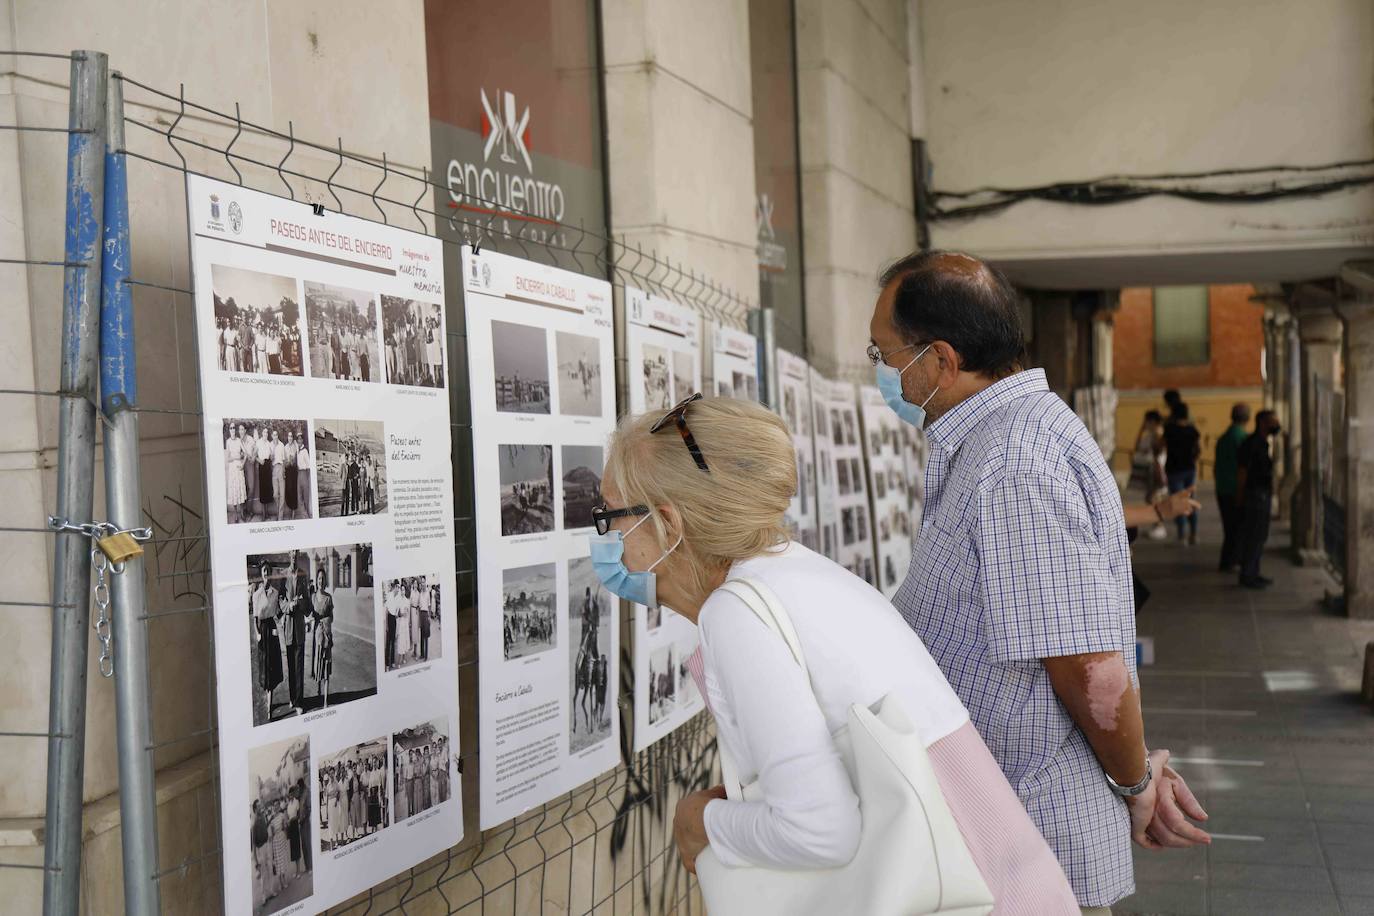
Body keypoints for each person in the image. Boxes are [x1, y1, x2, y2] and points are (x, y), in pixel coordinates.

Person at [592, 396, 1079, 912]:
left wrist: (700, 822)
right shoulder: (793, 573)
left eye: (609, 517)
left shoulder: (737, 614)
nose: (604, 537)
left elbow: (820, 830)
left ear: (667, 525)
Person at [868, 251, 1209, 913]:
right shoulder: (998, 440)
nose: (883, 374)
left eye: (884, 354)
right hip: (999, 832)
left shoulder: (1014, 460)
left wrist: (1136, 779)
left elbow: (1090, 669)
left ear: (939, 360)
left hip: (1027, 849)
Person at [1236, 410, 1281, 589]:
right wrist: (1240, 495)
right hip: (1255, 495)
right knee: (1254, 534)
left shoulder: (1262, 443)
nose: (1276, 426)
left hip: (1262, 494)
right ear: (1263, 422)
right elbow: (1242, 471)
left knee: (1260, 535)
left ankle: (1253, 571)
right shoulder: (1251, 444)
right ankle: (1248, 574)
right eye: (1273, 422)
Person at [1214, 403, 1251, 572]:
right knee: (1237, 528)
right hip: (1236, 489)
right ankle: (1231, 561)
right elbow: (1243, 469)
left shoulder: (1223, 438)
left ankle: (1228, 560)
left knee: (1229, 528)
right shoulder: (1243, 438)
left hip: (1222, 488)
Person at [1162, 403, 1201, 544]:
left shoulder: (1169, 429)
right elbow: (1197, 450)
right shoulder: (1192, 430)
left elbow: (1161, 446)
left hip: (1174, 470)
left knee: (1178, 501)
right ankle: (1194, 534)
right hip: (1189, 468)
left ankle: (1181, 535)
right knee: (1191, 500)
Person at [252, 566, 283, 719]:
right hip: (262, 631)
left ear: (270, 575)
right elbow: (255, 619)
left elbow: (277, 613)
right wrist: (257, 634)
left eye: (268, 573)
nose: (266, 575)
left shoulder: (275, 593)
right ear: (262, 575)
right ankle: (267, 697)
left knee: (273, 667)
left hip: (272, 630)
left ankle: (270, 705)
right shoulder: (256, 595)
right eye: (264, 573)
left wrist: (281, 622)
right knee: (265, 666)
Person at [283, 551, 309, 715]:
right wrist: (287, 606)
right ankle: (292, 698)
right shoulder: (283, 575)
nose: (294, 554)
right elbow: (280, 599)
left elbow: (307, 600)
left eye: (296, 552)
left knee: (299, 667)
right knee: (291, 666)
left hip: (298, 627)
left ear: (298, 554)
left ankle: (299, 702)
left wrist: (299, 603)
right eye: (291, 551)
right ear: (288, 554)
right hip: (288, 628)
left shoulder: (303, 575)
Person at [311, 568, 334, 707]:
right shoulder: (313, 596)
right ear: (317, 580)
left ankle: (325, 700)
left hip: (326, 635)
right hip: (316, 636)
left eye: (323, 578)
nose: (321, 581)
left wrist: (325, 622)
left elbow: (331, 617)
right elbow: (310, 613)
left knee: (325, 665)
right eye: (319, 578)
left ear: (325, 581)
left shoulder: (329, 597)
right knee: (317, 664)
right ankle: (318, 690)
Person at [226, 424, 247, 524]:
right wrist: (236, 457)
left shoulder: (239, 440)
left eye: (234, 428)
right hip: (232, 469)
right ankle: (235, 514)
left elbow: (246, 454)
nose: (233, 429)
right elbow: (228, 459)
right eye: (231, 428)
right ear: (229, 430)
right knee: (234, 491)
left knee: (241, 490)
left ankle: (242, 513)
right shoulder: (228, 442)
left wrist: (242, 464)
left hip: (239, 468)